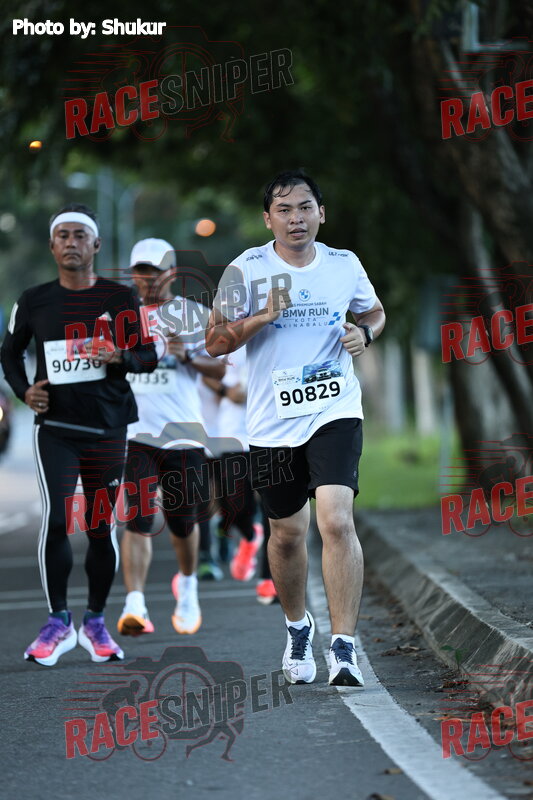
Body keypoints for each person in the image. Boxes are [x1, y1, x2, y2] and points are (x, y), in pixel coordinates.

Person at [207, 170, 385, 686]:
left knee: (336, 520)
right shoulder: (246, 269)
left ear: (320, 213)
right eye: (283, 210)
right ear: (268, 219)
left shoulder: (344, 264)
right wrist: (262, 317)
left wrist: (364, 333)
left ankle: (344, 646)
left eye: (305, 207)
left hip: (334, 409)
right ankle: (297, 626)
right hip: (272, 421)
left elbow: (374, 311)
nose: (296, 218)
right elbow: (215, 342)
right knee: (286, 536)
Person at [0, 203, 157, 666]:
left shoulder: (120, 298)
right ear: (52, 246)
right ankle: (57, 622)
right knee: (56, 519)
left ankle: (95, 622)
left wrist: (119, 356)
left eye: (80, 235)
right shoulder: (34, 300)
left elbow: (147, 356)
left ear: (96, 245)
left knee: (99, 526)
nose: (71, 242)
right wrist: (24, 391)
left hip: (108, 427)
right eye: (63, 236)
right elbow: (9, 353)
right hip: (57, 429)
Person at [117, 239, 225, 637]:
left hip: (183, 435)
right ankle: (135, 604)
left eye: (155, 271)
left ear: (172, 273)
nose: (148, 279)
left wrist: (186, 356)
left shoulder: (195, 315)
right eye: (141, 271)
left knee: (182, 521)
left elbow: (220, 371)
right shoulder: (120, 318)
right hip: (136, 432)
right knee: (138, 517)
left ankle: (188, 586)